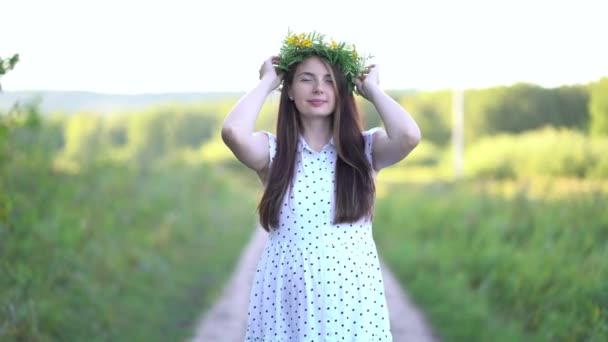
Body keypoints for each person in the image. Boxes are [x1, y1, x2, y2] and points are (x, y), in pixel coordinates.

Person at [221, 31, 421, 341]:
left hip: (352, 300)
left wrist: (372, 89)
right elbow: (233, 131)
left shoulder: (365, 151)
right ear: (289, 90)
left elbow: (409, 135)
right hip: (286, 299)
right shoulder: (273, 154)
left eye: (329, 80)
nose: (318, 88)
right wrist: (266, 82)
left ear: (343, 90)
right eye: (306, 79)